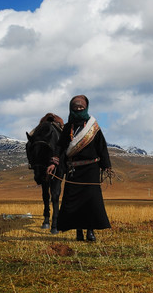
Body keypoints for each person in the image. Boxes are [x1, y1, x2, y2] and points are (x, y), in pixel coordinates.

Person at [46, 95, 112, 241]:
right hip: (73, 171)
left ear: (86, 108)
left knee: (91, 201)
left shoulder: (93, 127)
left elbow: (101, 146)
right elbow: (60, 147)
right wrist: (53, 162)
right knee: (74, 202)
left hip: (91, 170)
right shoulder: (68, 128)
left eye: (81, 107)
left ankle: (90, 231)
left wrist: (106, 166)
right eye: (75, 107)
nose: (78, 109)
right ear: (71, 109)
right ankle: (78, 231)